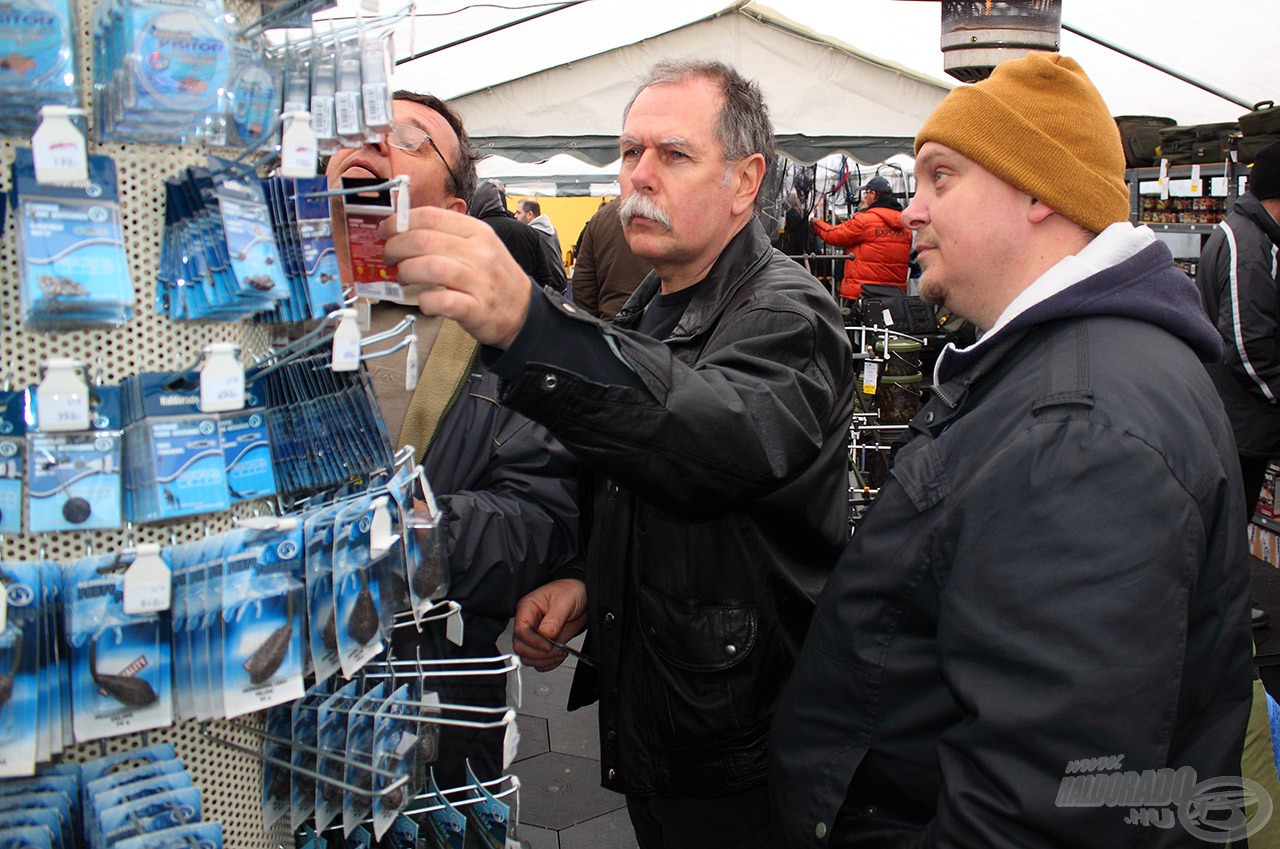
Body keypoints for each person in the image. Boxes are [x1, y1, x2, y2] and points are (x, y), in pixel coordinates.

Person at [770, 53, 1254, 847]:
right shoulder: (1063, 374)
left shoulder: (1081, 430)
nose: (913, 209)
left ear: (1038, 191)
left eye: (942, 177)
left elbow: (1040, 809)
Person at [380, 58, 854, 848]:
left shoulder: (788, 312)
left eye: (673, 155)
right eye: (630, 152)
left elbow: (709, 440)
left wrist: (534, 329)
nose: (639, 175)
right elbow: (641, 481)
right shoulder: (651, 306)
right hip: (670, 724)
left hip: (748, 748)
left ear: (746, 181)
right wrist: (584, 580)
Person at [324, 89, 579, 787]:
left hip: (425, 704)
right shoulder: (253, 319)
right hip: (257, 697)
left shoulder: (499, 338)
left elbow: (543, 516)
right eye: (356, 130)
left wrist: (395, 535)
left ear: (451, 211)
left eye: (407, 138)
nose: (372, 143)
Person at [1197, 141, 1280, 629]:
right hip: (1239, 418)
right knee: (1229, 521)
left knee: (1228, 519)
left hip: (1240, 416)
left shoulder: (1252, 237)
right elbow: (1248, 346)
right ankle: (1222, 617)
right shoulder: (1248, 246)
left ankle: (1219, 610)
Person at [810, 174, 911, 307]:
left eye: (866, 193)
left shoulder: (865, 221)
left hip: (864, 293)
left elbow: (833, 235)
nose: (864, 197)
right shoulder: (905, 224)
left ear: (873, 195)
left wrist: (816, 222)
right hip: (895, 296)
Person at [471, 180, 567, 293]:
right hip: (527, 300)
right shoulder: (531, 232)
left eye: (519, 212)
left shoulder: (475, 230)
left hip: (490, 300)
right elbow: (544, 275)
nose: (515, 215)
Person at [569, 196, 653, 320]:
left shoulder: (601, 217)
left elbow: (583, 284)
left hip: (612, 321)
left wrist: (595, 326)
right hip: (663, 325)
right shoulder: (672, 208)